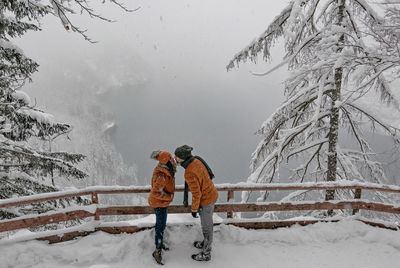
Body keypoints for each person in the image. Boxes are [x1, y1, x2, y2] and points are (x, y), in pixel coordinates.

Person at [174, 145, 218, 262]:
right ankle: (205, 243)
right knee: (207, 225)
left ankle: (206, 253)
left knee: (207, 228)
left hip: (206, 200)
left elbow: (196, 194)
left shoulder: (189, 172)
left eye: (177, 157)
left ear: (182, 158)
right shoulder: (196, 160)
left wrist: (193, 210)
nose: (175, 159)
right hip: (211, 194)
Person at [148, 150, 176, 265]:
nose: (172, 160)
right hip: (159, 204)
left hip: (161, 203)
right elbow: (155, 192)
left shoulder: (165, 170)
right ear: (166, 161)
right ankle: (157, 250)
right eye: (170, 159)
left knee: (162, 225)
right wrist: (168, 197)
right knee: (160, 226)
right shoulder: (162, 175)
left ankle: (160, 244)